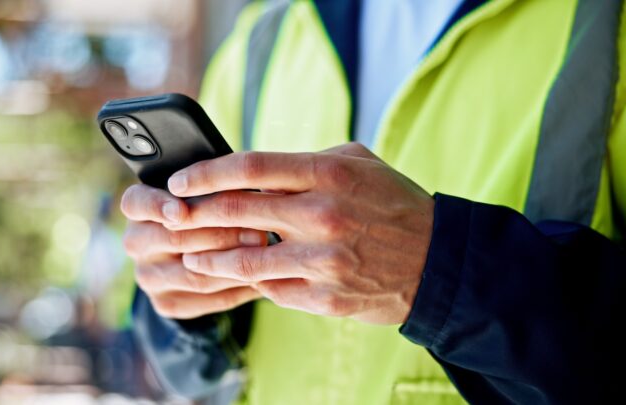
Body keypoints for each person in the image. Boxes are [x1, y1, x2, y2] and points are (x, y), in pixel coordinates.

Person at [120, 0, 626, 404]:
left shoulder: (605, 22)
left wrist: (439, 272)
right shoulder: (262, 40)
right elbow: (194, 373)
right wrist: (180, 305)